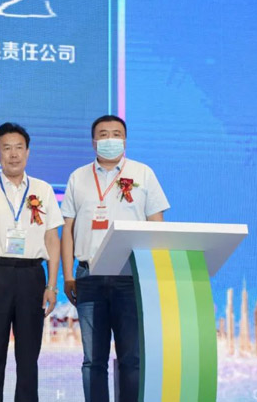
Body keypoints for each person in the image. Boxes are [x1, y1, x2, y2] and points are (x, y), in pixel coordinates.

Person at [60, 115, 170, 402]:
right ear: (93, 141)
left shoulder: (143, 173)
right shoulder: (78, 177)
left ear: (125, 139)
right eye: (104, 134)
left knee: (131, 358)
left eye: (116, 134)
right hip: (89, 276)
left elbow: (156, 225)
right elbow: (67, 229)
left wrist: (154, 273)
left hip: (130, 276)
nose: (110, 139)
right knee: (93, 361)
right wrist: (68, 275)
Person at [0, 122, 63, 402]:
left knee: (28, 356)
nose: (13, 154)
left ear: (28, 152)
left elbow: (52, 239)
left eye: (19, 148)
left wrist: (52, 286)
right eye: (7, 148)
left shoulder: (43, 189)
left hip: (31, 276)